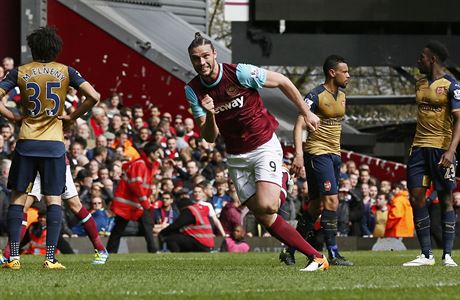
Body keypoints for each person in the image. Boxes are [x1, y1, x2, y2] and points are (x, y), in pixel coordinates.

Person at [185, 32, 327, 271]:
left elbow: (282, 80)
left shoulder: (239, 72)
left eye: (205, 56)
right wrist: (210, 113)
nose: (202, 63)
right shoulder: (193, 90)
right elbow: (209, 137)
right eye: (196, 59)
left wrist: (306, 112)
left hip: (263, 146)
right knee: (264, 215)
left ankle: (283, 174)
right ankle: (317, 258)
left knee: (269, 205)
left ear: (214, 54)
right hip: (236, 157)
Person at [0, 27, 99, 269]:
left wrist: (12, 117)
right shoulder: (66, 71)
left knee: (18, 198)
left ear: (33, 49)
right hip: (54, 143)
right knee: (54, 198)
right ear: (56, 49)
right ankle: (50, 259)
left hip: (27, 141)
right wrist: (73, 116)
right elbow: (94, 96)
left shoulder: (20, 72)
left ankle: (13, 257)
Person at [280, 55, 353, 266]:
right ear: (332, 72)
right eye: (345, 71)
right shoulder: (315, 95)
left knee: (315, 207)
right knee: (332, 201)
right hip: (317, 153)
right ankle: (333, 253)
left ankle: (289, 250)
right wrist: (299, 155)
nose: (348, 75)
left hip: (334, 155)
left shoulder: (342, 96)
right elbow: (298, 125)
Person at [403, 41, 460, 267]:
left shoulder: (452, 85)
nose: (418, 61)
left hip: (441, 150)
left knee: (445, 199)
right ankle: (426, 254)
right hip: (418, 148)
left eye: (422, 57)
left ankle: (447, 254)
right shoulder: (419, 83)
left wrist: (452, 150)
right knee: (416, 197)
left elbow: (459, 120)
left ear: (432, 59)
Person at [1, 158, 109, 265]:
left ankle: (101, 250)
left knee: (74, 205)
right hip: (36, 162)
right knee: (22, 206)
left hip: (56, 161)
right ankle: (7, 255)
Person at [106, 142, 161, 253]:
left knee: (145, 225)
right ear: (151, 153)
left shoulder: (147, 166)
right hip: (130, 203)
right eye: (157, 152)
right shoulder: (141, 164)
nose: (159, 155)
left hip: (135, 203)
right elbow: (136, 185)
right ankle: (110, 251)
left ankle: (153, 249)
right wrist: (145, 202)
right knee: (120, 228)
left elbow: (144, 186)